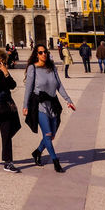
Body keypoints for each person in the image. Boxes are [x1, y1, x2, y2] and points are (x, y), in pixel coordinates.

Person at [23, 44, 75, 173]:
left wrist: (68, 100)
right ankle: (55, 161)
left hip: (53, 103)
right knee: (47, 134)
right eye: (40, 52)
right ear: (36, 54)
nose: (43, 54)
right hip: (40, 105)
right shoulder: (32, 68)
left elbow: (59, 86)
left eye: (45, 52)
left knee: (52, 134)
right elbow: (28, 89)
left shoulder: (52, 67)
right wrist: (25, 106)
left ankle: (37, 152)